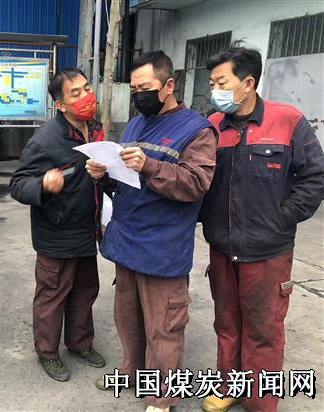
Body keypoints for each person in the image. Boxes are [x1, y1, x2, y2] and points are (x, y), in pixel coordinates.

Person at [86, 51, 217, 412]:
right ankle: (130, 370)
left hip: (162, 247)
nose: (138, 95)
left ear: (168, 85)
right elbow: (124, 181)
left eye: (145, 88)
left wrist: (149, 165)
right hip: (128, 240)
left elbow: (196, 183)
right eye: (134, 89)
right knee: (128, 317)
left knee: (164, 326)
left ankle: (161, 396)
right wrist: (103, 176)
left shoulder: (196, 130)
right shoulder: (134, 125)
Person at [199, 46, 324, 412]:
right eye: (212, 83)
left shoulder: (288, 120)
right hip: (223, 247)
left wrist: (283, 217)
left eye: (222, 82)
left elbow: (315, 176)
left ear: (248, 82)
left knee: (264, 329)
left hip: (268, 251)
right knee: (227, 323)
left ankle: (260, 402)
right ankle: (229, 386)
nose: (215, 90)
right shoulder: (212, 126)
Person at [9, 68, 106, 382]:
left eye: (86, 88)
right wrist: (43, 185)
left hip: (87, 229)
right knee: (52, 296)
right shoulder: (45, 140)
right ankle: (48, 353)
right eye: (75, 93)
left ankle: (80, 344)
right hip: (56, 233)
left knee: (85, 291)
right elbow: (18, 184)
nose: (86, 96)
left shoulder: (95, 129)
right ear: (61, 105)